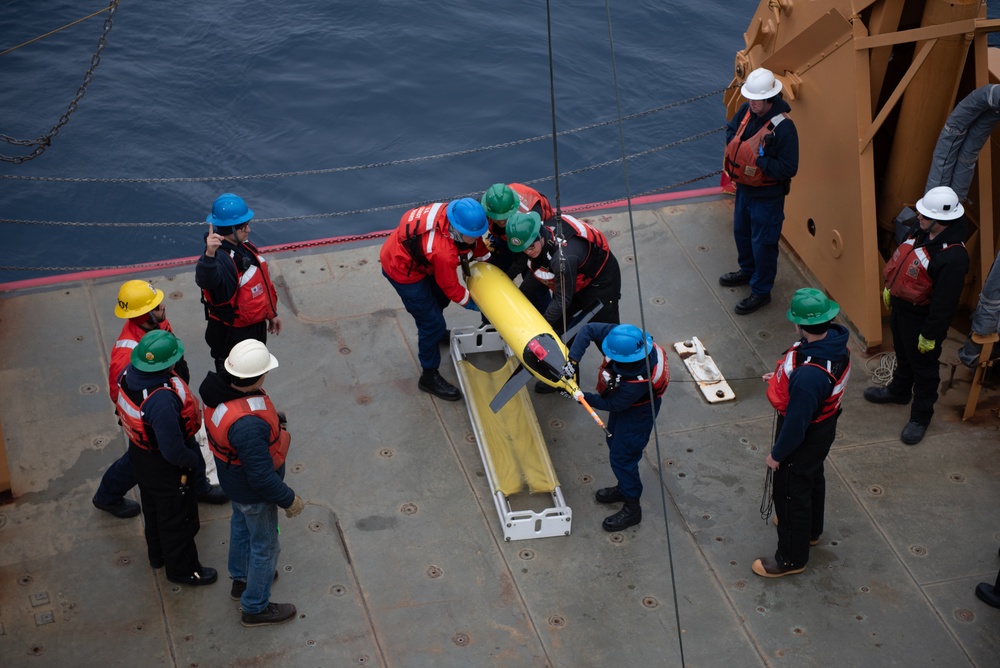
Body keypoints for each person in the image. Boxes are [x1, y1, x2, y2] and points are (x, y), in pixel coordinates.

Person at [93, 280, 226, 519]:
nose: (162, 306)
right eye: (156, 306)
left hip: (171, 400)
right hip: (151, 417)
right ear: (144, 314)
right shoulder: (126, 354)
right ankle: (107, 496)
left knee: (191, 446)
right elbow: (121, 394)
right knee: (138, 461)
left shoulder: (157, 323)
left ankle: (200, 488)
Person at [199, 340, 304, 627]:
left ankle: (241, 579)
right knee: (266, 547)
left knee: (241, 527)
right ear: (257, 377)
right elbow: (261, 476)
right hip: (253, 492)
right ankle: (255, 607)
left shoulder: (219, 392)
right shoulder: (247, 425)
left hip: (234, 483)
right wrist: (288, 499)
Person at [753, 288, 850, 578]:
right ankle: (810, 531)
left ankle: (791, 559)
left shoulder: (810, 375)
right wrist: (783, 379)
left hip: (805, 433)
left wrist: (777, 454)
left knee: (791, 491)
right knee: (811, 475)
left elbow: (797, 423)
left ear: (800, 325)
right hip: (824, 426)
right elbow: (810, 388)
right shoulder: (835, 344)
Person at [864, 186, 970, 445]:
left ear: (942, 221)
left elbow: (944, 305)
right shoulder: (921, 230)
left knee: (924, 369)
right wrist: (890, 289)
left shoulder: (953, 257)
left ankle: (920, 417)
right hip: (902, 309)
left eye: (924, 215)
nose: (917, 217)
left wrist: (930, 335)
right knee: (902, 352)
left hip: (922, 318)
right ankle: (899, 391)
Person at [117, 329, 216, 585]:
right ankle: (183, 570)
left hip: (141, 457)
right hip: (166, 465)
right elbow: (172, 450)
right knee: (177, 519)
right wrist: (193, 461)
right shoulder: (160, 400)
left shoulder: (128, 376)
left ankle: (158, 555)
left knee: (153, 509)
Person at [380, 197, 491, 401]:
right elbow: (452, 289)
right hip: (402, 269)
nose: (477, 238)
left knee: (439, 299)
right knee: (431, 323)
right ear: (459, 232)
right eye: (472, 235)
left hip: (419, 257)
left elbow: (474, 244)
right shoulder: (443, 252)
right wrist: (481, 306)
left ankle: (436, 334)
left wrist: (487, 260)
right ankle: (429, 377)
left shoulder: (452, 213)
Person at [566, 323, 668, 532]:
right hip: (627, 408)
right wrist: (573, 360)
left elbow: (613, 404)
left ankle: (632, 507)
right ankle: (624, 487)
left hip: (638, 414)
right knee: (613, 441)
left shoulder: (639, 380)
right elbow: (589, 329)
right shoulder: (627, 339)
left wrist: (581, 396)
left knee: (623, 457)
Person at [506, 211, 622, 391]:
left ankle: (626, 379)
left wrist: (539, 328)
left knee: (606, 337)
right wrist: (515, 300)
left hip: (600, 283)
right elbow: (535, 272)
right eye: (522, 250)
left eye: (529, 248)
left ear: (539, 235)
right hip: (572, 280)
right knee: (561, 331)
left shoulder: (562, 258)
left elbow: (562, 300)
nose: (527, 252)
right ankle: (567, 379)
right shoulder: (536, 243)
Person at [721, 67, 799, 315]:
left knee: (764, 243)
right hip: (744, 189)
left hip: (767, 197)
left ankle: (761, 291)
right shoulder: (746, 110)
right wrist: (738, 147)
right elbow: (731, 130)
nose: (752, 103)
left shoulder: (785, 128)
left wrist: (759, 160)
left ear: (770, 98)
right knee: (742, 232)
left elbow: (788, 167)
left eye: (757, 99)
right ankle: (747, 270)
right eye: (750, 98)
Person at [196, 193, 282, 373]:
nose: (249, 230)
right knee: (236, 379)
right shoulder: (219, 259)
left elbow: (259, 286)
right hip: (232, 337)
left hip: (253, 328)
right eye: (244, 227)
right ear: (232, 229)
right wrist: (209, 255)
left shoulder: (243, 247)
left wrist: (271, 313)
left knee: (256, 370)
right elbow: (206, 281)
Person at [480, 183, 555, 277]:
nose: (501, 222)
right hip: (505, 237)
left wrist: (508, 277)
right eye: (497, 217)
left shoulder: (531, 216)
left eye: (505, 217)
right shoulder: (489, 204)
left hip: (531, 239)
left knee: (532, 275)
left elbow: (522, 259)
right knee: (499, 265)